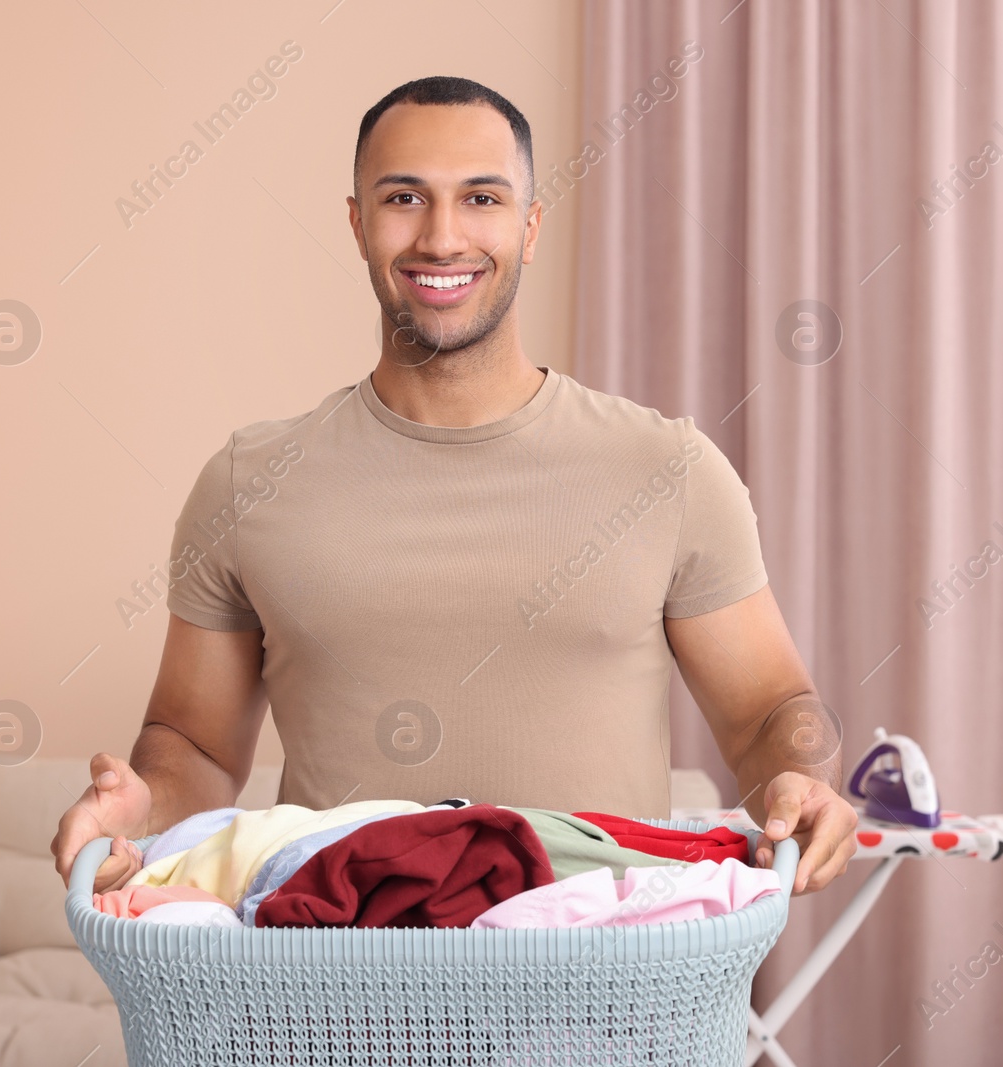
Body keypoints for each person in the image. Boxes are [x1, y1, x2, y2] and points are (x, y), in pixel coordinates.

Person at [50, 76, 858, 897]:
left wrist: (803, 778)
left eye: (481, 198)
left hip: (599, 985)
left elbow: (768, 711)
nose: (442, 237)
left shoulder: (670, 472)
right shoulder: (246, 483)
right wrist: (142, 808)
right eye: (405, 197)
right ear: (358, 223)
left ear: (531, 226)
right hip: (332, 981)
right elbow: (196, 745)